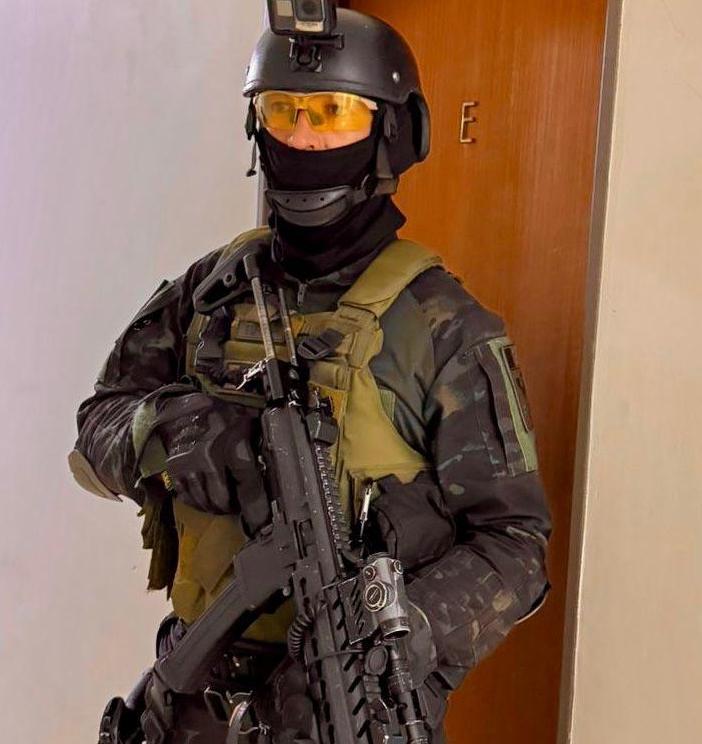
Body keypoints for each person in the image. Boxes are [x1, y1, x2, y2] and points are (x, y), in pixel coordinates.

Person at [70, 10, 551, 743]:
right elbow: (96, 426)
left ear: (391, 132)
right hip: (192, 697)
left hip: (345, 711)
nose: (302, 139)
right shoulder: (210, 291)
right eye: (281, 111)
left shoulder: (444, 328)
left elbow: (515, 544)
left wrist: (397, 639)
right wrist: (171, 431)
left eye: (331, 113)